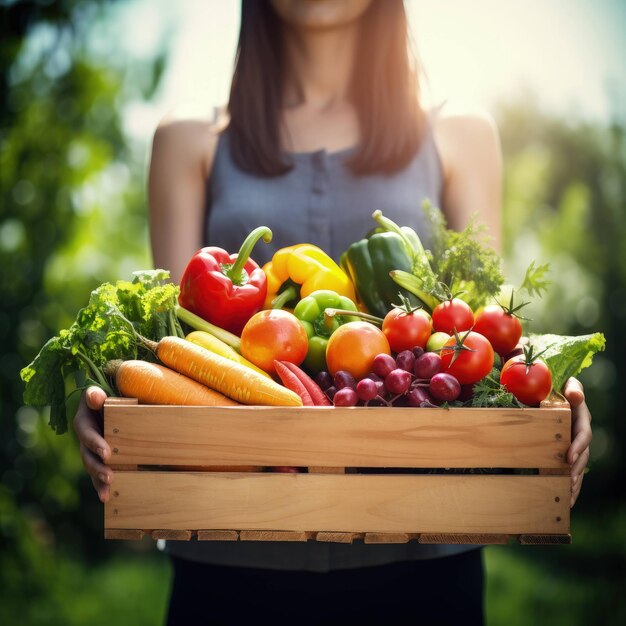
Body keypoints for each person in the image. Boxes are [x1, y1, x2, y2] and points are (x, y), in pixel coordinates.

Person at [73, 1, 593, 624]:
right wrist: (116, 402)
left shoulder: (461, 133)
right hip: (231, 551)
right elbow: (173, 343)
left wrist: (553, 397)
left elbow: (485, 333)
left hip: (423, 552)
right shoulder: (188, 138)